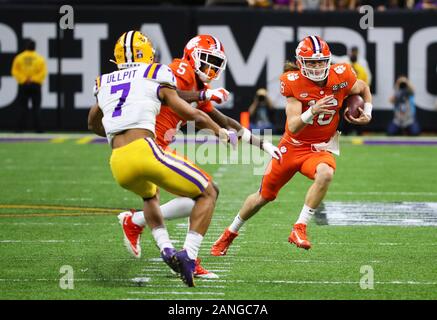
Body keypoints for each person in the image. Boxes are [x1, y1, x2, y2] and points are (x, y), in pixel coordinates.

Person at [116, 34, 281, 279]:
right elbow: (167, 93)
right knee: (208, 191)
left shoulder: (198, 86)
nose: (211, 68)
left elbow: (224, 121)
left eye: (216, 63)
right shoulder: (179, 70)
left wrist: (262, 144)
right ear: (192, 56)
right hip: (149, 145)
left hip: (155, 146)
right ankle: (188, 258)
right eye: (207, 60)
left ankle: (137, 222)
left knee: (197, 198)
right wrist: (203, 97)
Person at [88, 30, 234, 287]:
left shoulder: (104, 81)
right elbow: (190, 113)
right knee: (208, 192)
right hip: (146, 149)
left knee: (150, 197)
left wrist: (114, 130)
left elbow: (93, 123)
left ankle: (166, 248)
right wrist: (219, 130)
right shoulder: (156, 72)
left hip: (118, 161)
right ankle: (188, 257)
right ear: (149, 54)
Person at [211, 35, 372, 256]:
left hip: (319, 148)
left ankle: (299, 228)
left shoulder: (341, 75)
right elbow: (294, 126)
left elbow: (363, 88)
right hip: (292, 146)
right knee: (263, 196)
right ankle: (229, 233)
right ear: (300, 63)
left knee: (325, 174)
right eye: (312, 62)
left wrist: (368, 113)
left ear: (328, 60)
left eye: (321, 61)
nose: (317, 67)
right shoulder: (293, 81)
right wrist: (312, 110)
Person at [11, 39, 47, 133]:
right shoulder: (39, 58)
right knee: (36, 108)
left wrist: (24, 79)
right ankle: (38, 129)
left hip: (23, 85)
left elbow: (14, 71)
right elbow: (43, 73)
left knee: (22, 107)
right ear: (34, 47)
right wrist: (33, 79)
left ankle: (19, 129)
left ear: (26, 47)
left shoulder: (19, 57)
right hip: (35, 85)